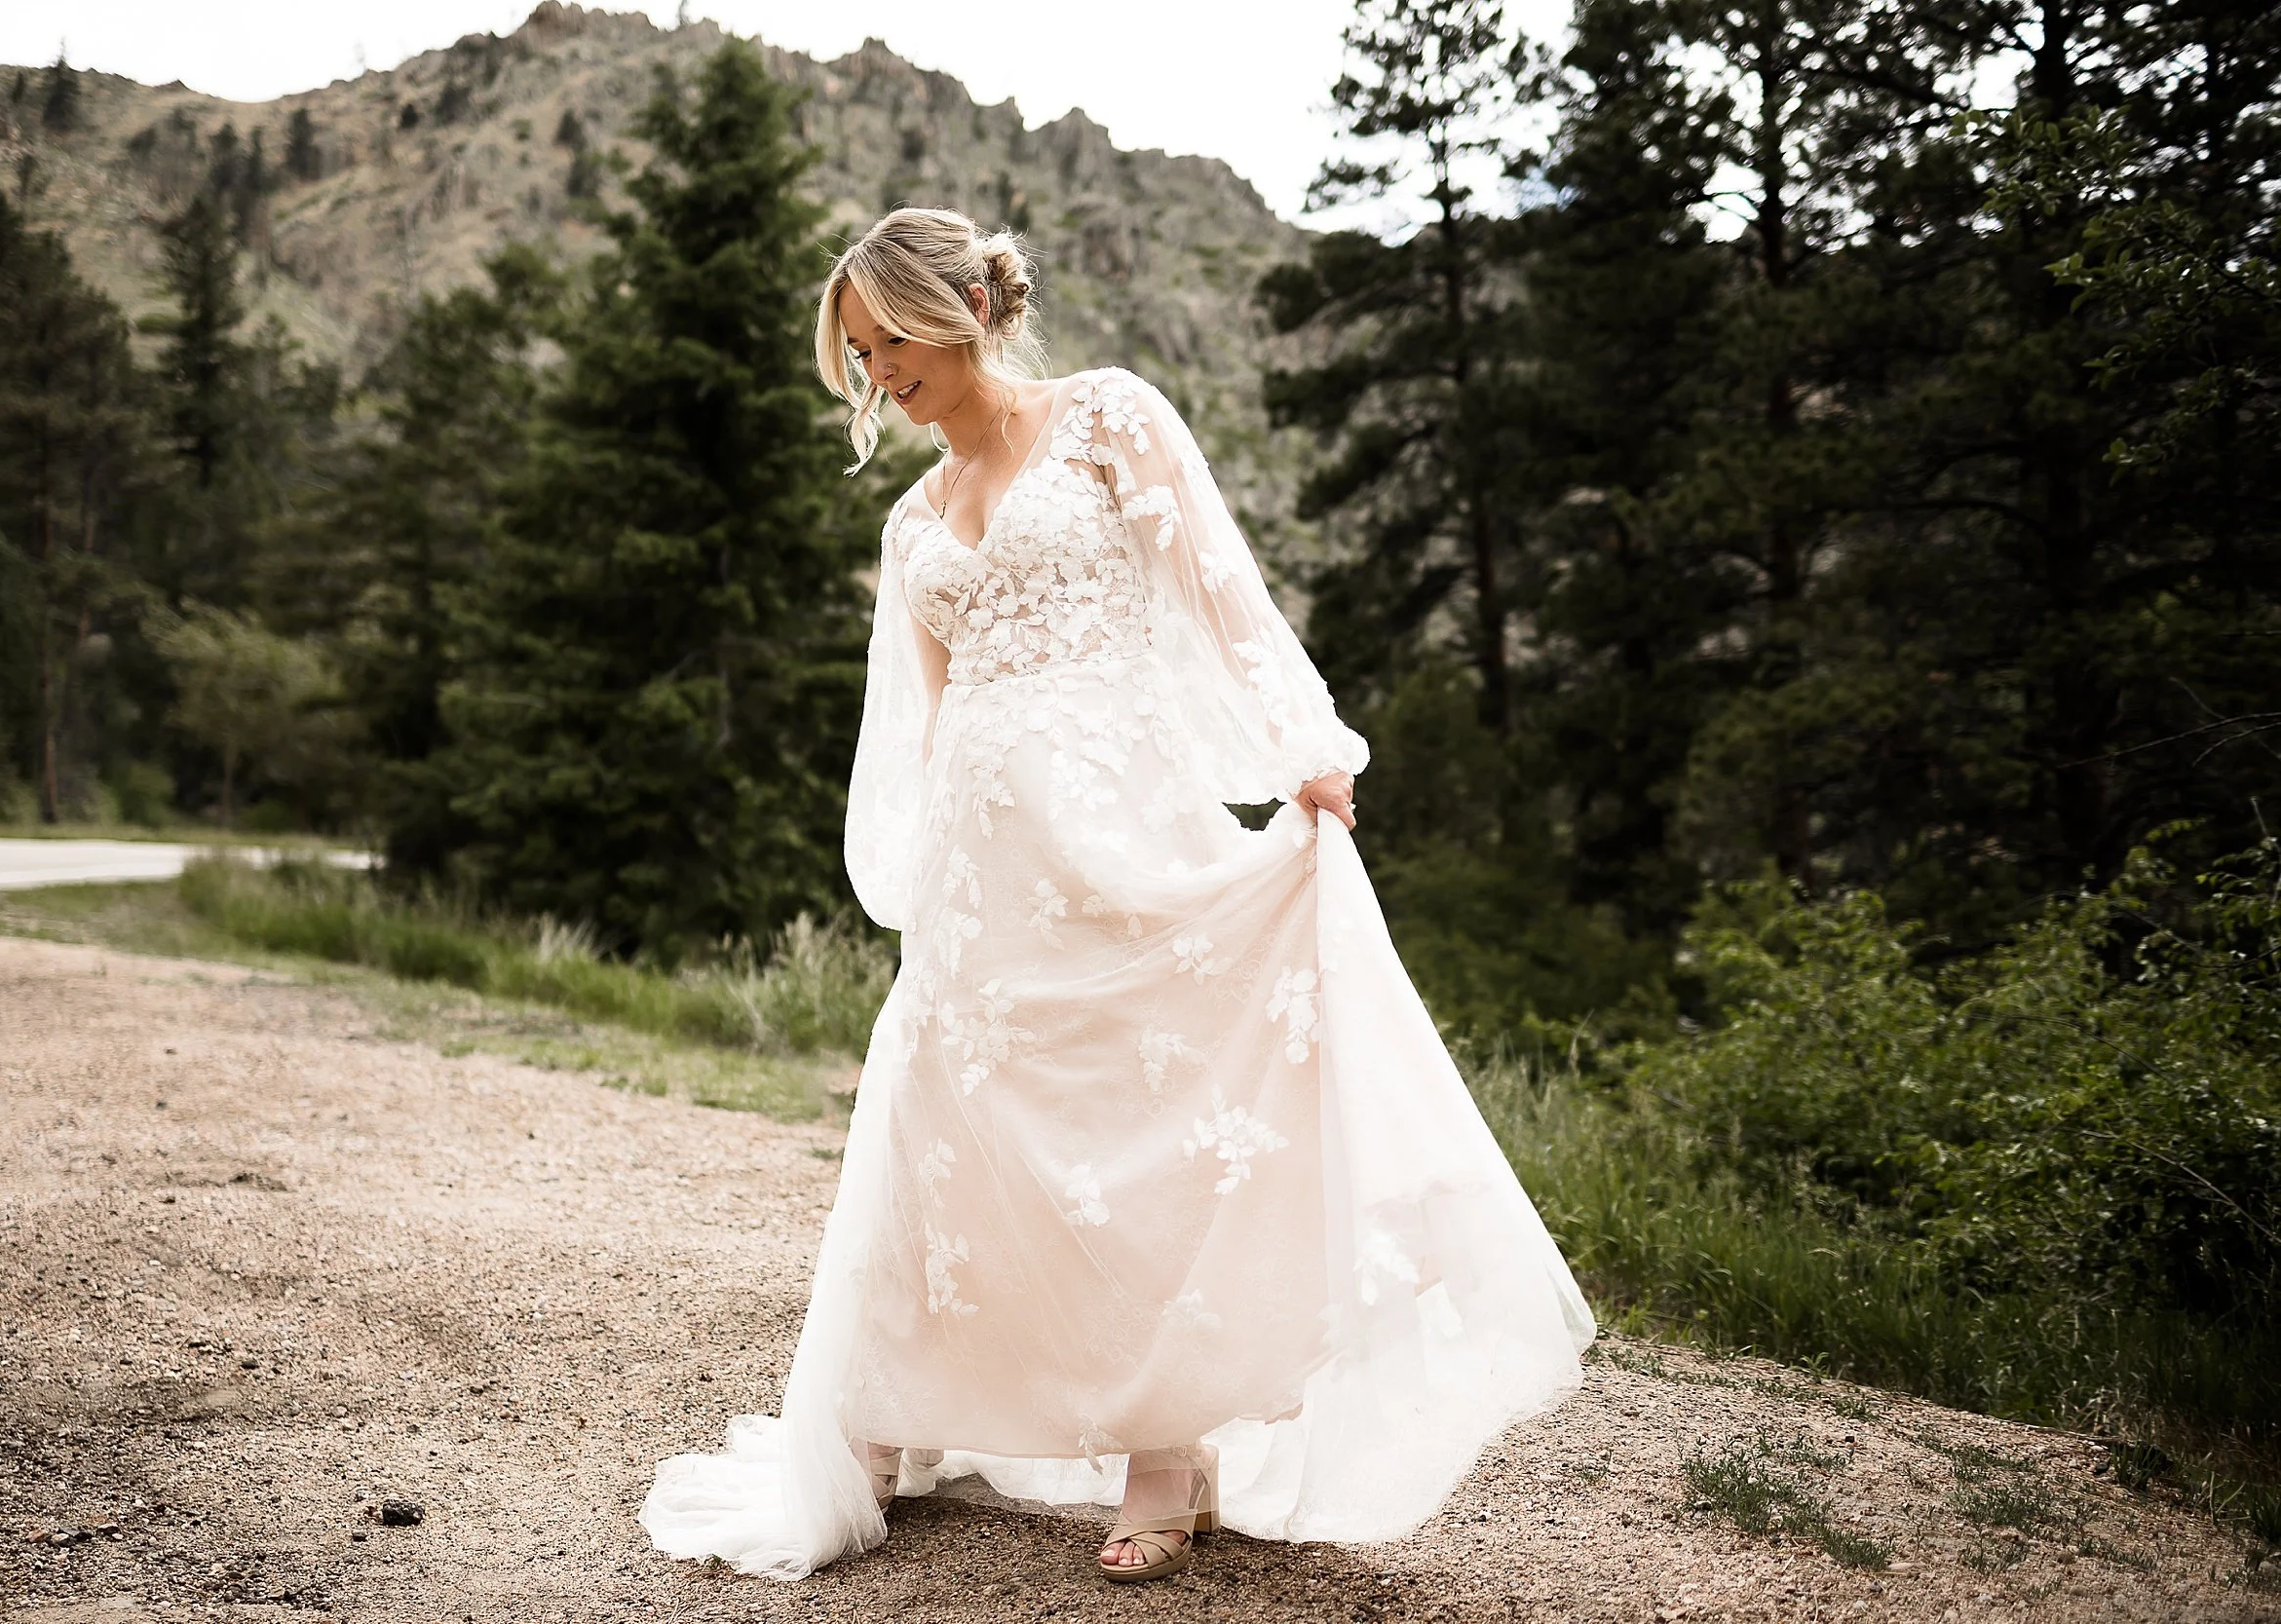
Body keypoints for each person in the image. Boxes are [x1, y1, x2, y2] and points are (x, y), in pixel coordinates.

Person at [639, 207, 1593, 1583]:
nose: (879, 378)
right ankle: (900, 1399)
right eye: (859, 358)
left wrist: (1307, 752)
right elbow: (923, 716)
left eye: (890, 342)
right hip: (984, 869)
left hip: (1118, 820)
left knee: (1148, 1111)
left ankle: (1167, 1445)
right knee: (957, 1118)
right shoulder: (912, 526)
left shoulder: (1106, 419)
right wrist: (923, 882)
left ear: (961, 305)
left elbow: (1222, 591)